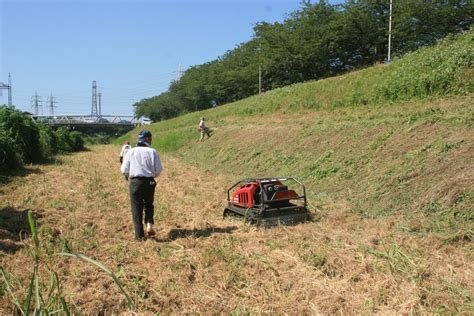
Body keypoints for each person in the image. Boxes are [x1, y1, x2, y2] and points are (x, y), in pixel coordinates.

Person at [120, 130, 163, 240]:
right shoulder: (152, 151)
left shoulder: (131, 151)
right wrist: (152, 174)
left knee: (136, 208)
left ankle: (139, 236)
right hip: (149, 181)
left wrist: (129, 175)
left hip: (135, 182)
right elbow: (158, 169)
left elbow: (124, 169)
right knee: (149, 204)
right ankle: (149, 224)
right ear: (148, 139)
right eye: (151, 139)